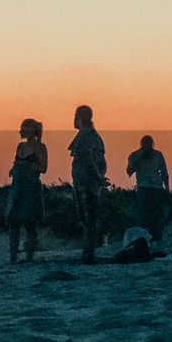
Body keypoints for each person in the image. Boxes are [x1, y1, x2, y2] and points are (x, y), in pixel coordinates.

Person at [68, 105, 108, 264]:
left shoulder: (86, 135)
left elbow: (89, 159)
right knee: (87, 219)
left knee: (88, 218)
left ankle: (89, 253)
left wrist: (98, 177)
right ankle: (88, 252)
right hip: (86, 182)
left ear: (80, 117)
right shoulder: (90, 136)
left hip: (87, 184)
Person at [5, 118, 47, 263]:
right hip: (18, 186)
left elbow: (43, 168)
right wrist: (15, 168)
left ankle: (29, 257)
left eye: (22, 128)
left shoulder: (41, 147)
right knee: (14, 222)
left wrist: (27, 166)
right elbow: (15, 163)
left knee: (30, 223)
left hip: (31, 187)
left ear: (29, 129)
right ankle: (13, 256)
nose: (20, 131)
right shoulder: (20, 146)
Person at [127, 135, 169, 241]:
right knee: (143, 215)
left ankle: (156, 238)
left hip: (156, 189)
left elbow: (164, 173)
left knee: (157, 216)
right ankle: (143, 238)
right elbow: (129, 172)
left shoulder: (158, 155)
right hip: (143, 188)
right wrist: (137, 160)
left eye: (149, 144)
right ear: (141, 145)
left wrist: (167, 189)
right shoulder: (134, 155)